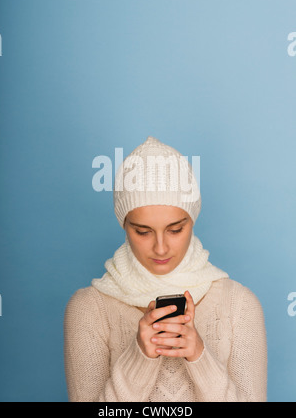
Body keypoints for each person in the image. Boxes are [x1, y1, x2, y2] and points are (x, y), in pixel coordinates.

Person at [64, 136, 267, 402]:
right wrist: (140, 356)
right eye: (143, 231)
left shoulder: (239, 305)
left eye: (175, 229)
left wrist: (199, 357)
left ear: (192, 220)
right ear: (124, 225)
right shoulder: (89, 309)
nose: (160, 248)